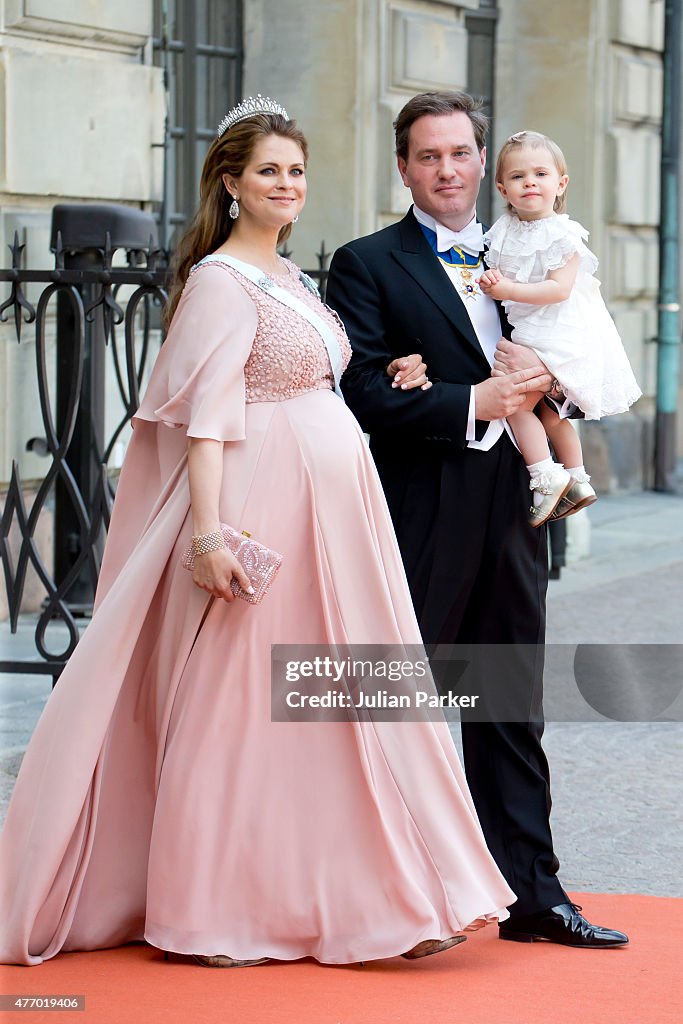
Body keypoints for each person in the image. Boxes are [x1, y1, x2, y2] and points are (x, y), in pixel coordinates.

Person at [0, 97, 516, 968]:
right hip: (262, 502)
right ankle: (214, 910)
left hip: (341, 512)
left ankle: (387, 891)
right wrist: (209, 535)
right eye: (269, 171)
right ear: (231, 183)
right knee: (242, 705)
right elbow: (205, 421)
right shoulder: (218, 280)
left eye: (296, 171)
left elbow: (319, 379)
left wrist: (393, 367)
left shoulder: (294, 282)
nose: (287, 185)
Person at [326, 90, 629, 948]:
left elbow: (574, 350)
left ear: (479, 159)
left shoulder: (524, 246)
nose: (447, 170)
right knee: (399, 701)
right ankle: (390, 894)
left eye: (460, 154)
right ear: (403, 167)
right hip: (420, 509)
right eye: (429, 156)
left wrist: (550, 385)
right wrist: (467, 398)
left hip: (516, 507)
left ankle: (533, 897)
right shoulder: (365, 262)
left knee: (507, 705)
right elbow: (360, 390)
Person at [478, 130, 641, 525]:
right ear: (502, 187)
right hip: (530, 328)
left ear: (560, 183)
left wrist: (506, 288)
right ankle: (578, 478)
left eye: (540, 174)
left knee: (514, 406)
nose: (529, 182)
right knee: (552, 413)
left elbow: (558, 289)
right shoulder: (502, 230)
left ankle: (545, 475)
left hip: (557, 332)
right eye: (517, 177)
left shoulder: (563, 233)